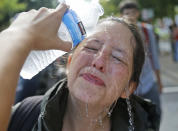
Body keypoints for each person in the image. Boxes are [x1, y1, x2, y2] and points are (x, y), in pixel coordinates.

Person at [0, 3, 159, 131]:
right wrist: (18, 36)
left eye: (117, 57)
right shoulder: (22, 116)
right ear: (69, 64)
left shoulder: (145, 126)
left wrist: (16, 36)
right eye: (91, 48)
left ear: (129, 88)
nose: (99, 62)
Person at [119, 0, 163, 128]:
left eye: (133, 12)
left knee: (156, 113)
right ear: (122, 15)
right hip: (129, 87)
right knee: (134, 119)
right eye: (127, 13)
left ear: (138, 13)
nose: (130, 15)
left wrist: (159, 82)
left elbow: (154, 57)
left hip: (149, 82)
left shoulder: (146, 30)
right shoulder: (120, 32)